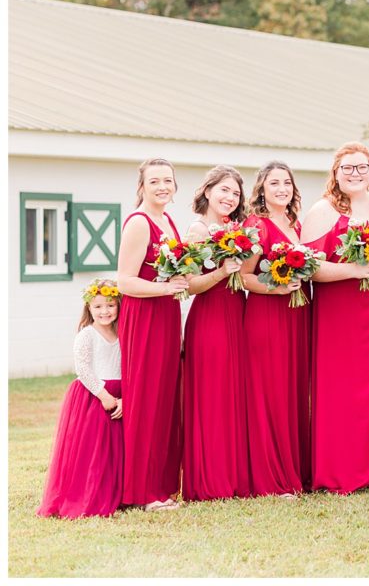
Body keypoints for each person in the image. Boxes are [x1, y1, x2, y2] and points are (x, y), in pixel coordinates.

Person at [302, 142, 369, 494]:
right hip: (342, 313)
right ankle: (342, 469)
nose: (355, 173)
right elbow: (309, 267)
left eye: (362, 167)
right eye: (347, 168)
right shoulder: (323, 210)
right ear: (335, 174)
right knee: (343, 387)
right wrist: (350, 270)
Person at [116, 158, 188, 512]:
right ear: (141, 186)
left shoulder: (169, 221)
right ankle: (143, 491)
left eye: (168, 181)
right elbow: (125, 282)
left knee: (164, 397)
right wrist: (167, 289)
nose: (162, 187)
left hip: (166, 315)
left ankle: (162, 485)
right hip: (144, 316)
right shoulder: (139, 223)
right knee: (146, 397)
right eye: (154, 181)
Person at [240, 161, 310, 498]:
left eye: (287, 183)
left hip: (297, 316)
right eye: (274, 183)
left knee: (293, 390)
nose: (282, 189)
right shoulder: (257, 224)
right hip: (268, 315)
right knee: (271, 393)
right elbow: (244, 276)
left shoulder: (297, 223)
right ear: (262, 190)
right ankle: (272, 478)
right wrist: (276, 288)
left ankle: (295, 469)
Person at [181, 165, 250, 501]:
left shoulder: (233, 229)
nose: (229, 197)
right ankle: (210, 480)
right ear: (207, 191)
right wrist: (223, 271)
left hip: (236, 313)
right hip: (210, 317)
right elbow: (190, 285)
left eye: (235, 193)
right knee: (212, 396)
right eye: (224, 190)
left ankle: (233, 475)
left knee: (232, 395)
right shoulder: (197, 230)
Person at [38, 280, 125, 519]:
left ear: (118, 305)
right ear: (89, 309)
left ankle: (116, 493)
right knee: (93, 450)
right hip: (95, 396)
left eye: (110, 305)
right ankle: (88, 494)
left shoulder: (122, 333)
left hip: (119, 396)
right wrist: (104, 395)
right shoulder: (87, 335)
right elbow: (83, 369)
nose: (105, 311)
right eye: (98, 307)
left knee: (114, 450)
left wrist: (125, 399)